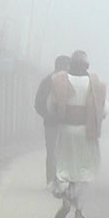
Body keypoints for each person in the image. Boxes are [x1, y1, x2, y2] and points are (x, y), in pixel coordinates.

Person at [49, 50, 108, 218]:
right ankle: (79, 213)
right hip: (86, 132)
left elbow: (51, 107)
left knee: (63, 167)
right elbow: (104, 110)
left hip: (65, 131)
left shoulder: (60, 80)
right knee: (84, 171)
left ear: (70, 65)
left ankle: (65, 196)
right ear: (87, 66)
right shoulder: (95, 83)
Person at [34, 54, 71, 189]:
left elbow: (37, 103)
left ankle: (51, 181)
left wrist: (47, 115)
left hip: (50, 124)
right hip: (67, 124)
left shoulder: (46, 80)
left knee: (51, 152)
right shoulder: (70, 81)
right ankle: (64, 181)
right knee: (66, 151)